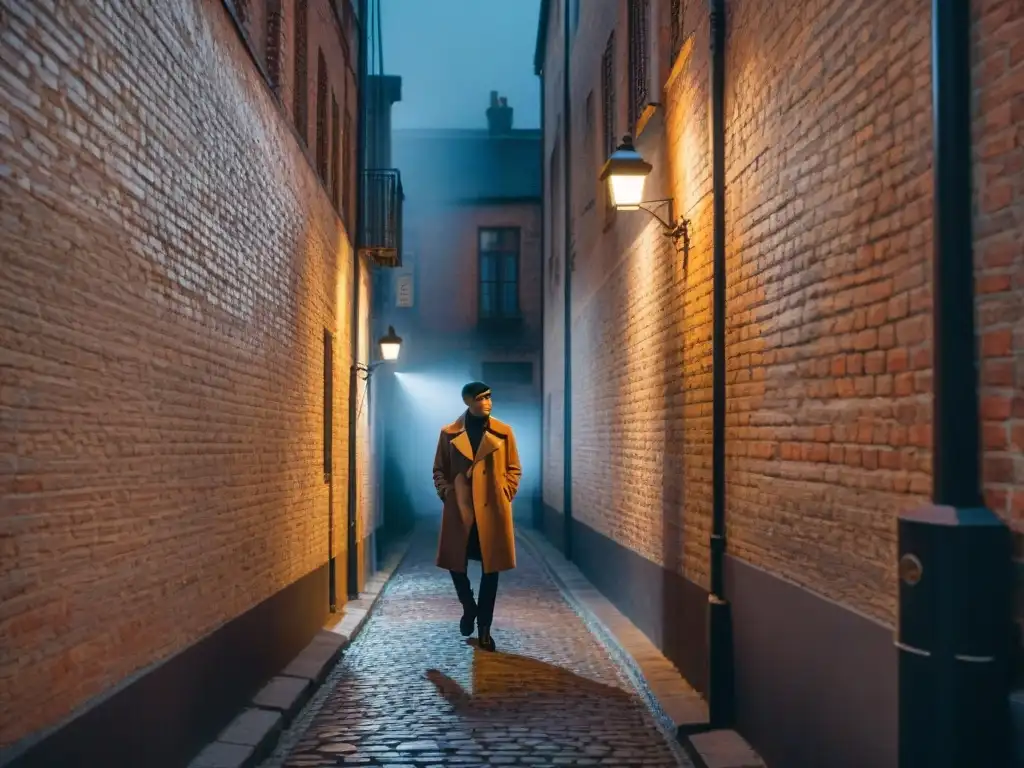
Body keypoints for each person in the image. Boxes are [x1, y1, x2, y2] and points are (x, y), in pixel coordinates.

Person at [432, 381, 521, 652]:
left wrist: (506, 491)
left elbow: (514, 468)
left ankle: (485, 629)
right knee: (455, 565)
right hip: (460, 510)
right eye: (481, 398)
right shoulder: (448, 434)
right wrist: (447, 493)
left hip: (492, 510)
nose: (488, 402)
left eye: (490, 397)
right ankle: (468, 606)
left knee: (490, 571)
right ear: (468, 402)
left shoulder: (504, 432)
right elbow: (439, 470)